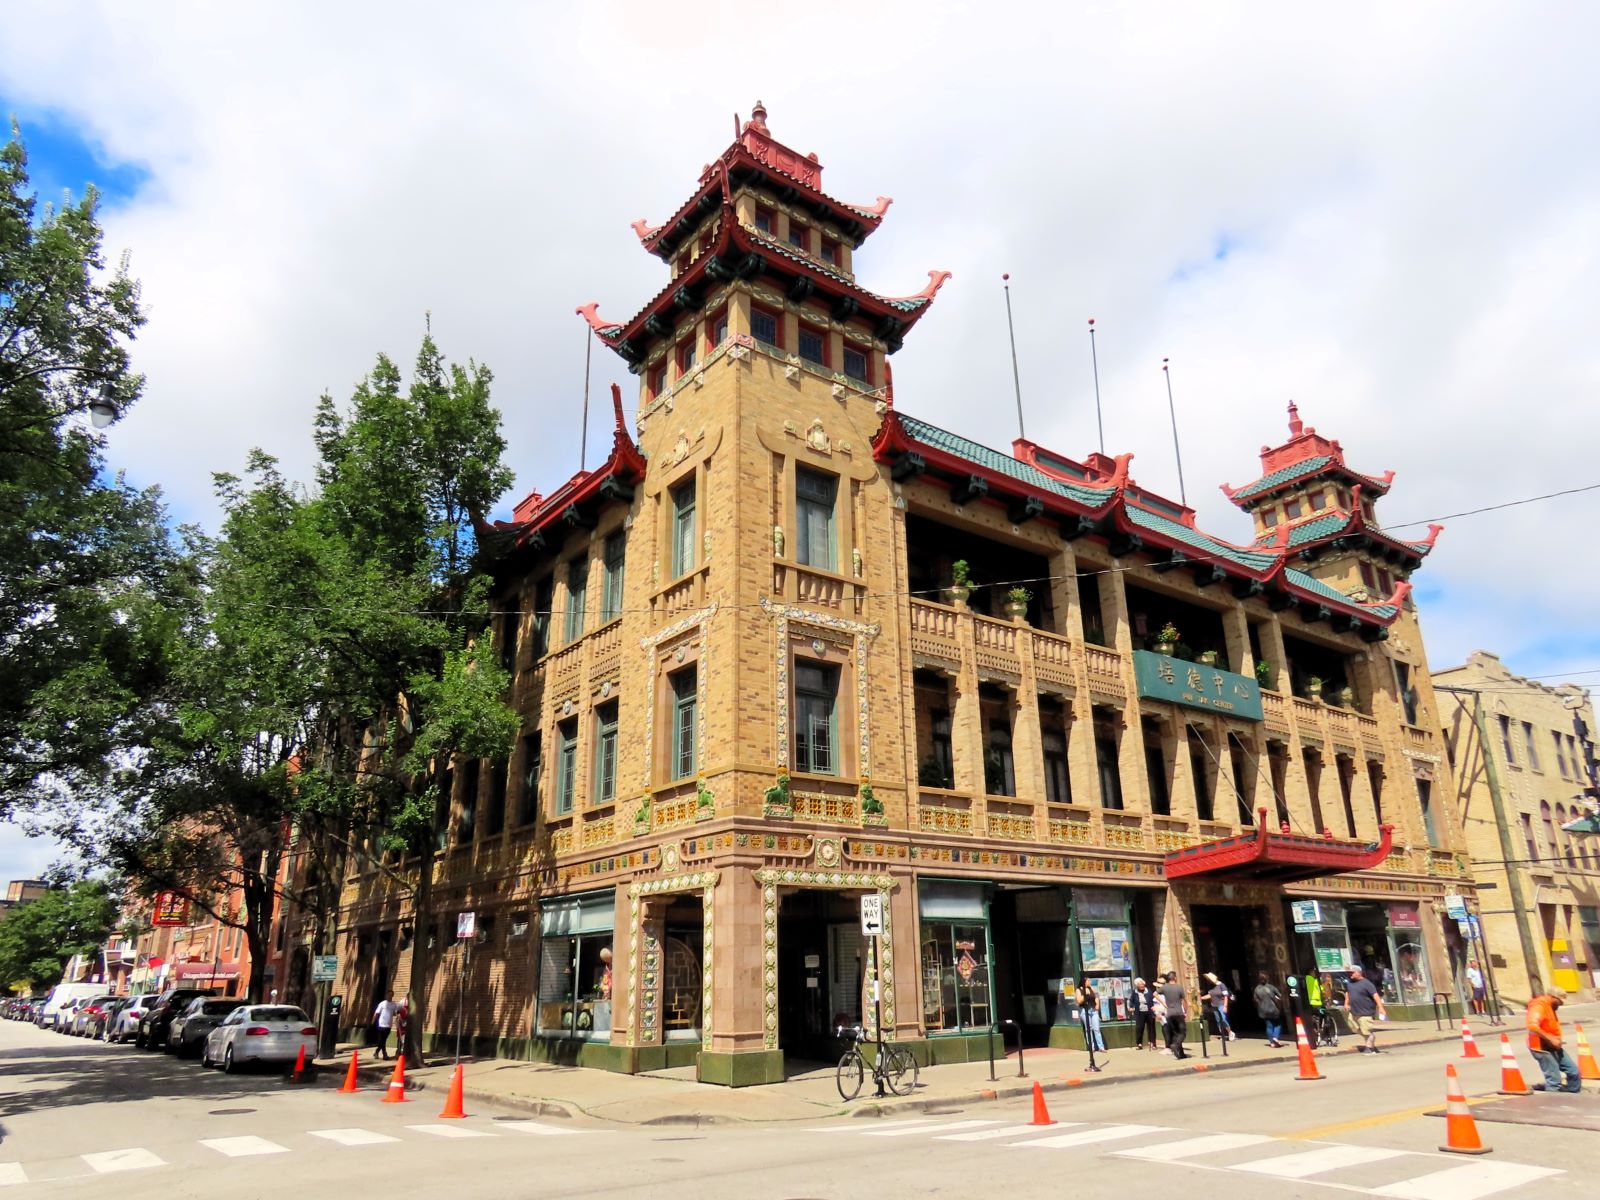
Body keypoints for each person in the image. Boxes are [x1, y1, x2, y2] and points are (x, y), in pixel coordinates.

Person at [1527, 986, 1582, 1093]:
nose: (1562, 1004)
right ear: (1553, 997)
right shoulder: (1539, 1006)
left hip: (1553, 1046)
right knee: (1554, 1080)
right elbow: (1532, 1026)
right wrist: (1551, 1039)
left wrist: (1555, 1039)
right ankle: (1554, 1102)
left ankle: (1573, 1095)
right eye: (1560, 1001)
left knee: (1573, 1072)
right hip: (1541, 1047)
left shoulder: (1550, 1006)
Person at [1344, 965, 1386, 1053]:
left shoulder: (1367, 983)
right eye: (1349, 973)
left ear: (1359, 973)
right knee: (1354, 1027)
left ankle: (1370, 1048)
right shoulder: (1350, 984)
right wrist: (1346, 1003)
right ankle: (1370, 1042)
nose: (1350, 975)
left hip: (1365, 1012)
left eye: (1352, 973)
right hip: (1354, 1012)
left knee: (1367, 1031)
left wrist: (1381, 1008)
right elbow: (1348, 993)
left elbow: (1375, 996)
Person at [1158, 971, 1189, 1060]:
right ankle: (1176, 1045)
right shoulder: (1179, 987)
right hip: (1178, 1013)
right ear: (1175, 977)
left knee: (1176, 1033)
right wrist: (1185, 1011)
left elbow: (1155, 994)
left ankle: (1180, 1054)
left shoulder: (1165, 987)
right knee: (1182, 1032)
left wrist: (1164, 1003)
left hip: (1169, 1014)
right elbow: (1183, 1000)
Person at [1253, 972, 1285, 1048]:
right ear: (1267, 978)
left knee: (1269, 1026)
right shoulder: (1271, 987)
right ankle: (1275, 1037)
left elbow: (1255, 1000)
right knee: (1278, 1024)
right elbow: (1279, 996)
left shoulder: (1257, 989)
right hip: (1273, 1009)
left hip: (1263, 1010)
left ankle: (1271, 1043)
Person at [1205, 972, 1236, 1041]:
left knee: (1223, 1018)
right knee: (1218, 1020)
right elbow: (1210, 995)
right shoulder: (1211, 986)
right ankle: (1223, 1034)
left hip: (1221, 1004)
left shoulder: (1221, 985)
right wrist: (1200, 997)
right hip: (1214, 1005)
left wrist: (1225, 1006)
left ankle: (1230, 1032)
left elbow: (1226, 996)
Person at [1077, 980, 1106, 1053]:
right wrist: (1085, 995)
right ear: (1084, 981)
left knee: (1096, 1029)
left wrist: (1097, 1005)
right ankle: (1091, 1047)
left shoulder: (1091, 988)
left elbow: (1096, 997)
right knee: (1088, 1029)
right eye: (1088, 981)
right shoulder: (1079, 990)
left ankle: (1101, 1047)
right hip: (1085, 1010)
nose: (1089, 982)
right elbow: (1079, 1001)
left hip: (1093, 1010)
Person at [1131, 978, 1157, 1050]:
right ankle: (1139, 1043)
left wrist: (1154, 1008)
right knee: (1139, 1028)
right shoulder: (1134, 992)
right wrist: (1131, 1007)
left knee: (1151, 1028)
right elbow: (1131, 1001)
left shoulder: (1149, 991)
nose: (1142, 986)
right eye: (1140, 985)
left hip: (1149, 1011)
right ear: (1137, 986)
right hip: (1140, 1012)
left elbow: (1153, 1000)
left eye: (1142, 984)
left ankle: (1153, 1043)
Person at [371, 991, 398, 1060]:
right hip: (382, 1024)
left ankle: (376, 1052)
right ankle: (384, 1054)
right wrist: (373, 1021)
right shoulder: (382, 1004)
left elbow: (395, 1013)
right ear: (386, 995)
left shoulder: (394, 1004)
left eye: (391, 995)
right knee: (382, 1039)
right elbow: (377, 1013)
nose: (390, 996)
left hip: (389, 1025)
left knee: (383, 1040)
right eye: (389, 995)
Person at [1152, 986, 1170, 1054]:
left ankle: (1171, 1046)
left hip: (1171, 1015)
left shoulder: (1169, 995)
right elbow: (1156, 1007)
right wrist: (1157, 1014)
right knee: (1165, 1031)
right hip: (1163, 1017)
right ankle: (1168, 1047)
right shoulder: (1156, 998)